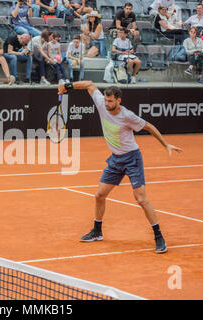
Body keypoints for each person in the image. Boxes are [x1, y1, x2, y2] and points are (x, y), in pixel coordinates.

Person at [57, 81, 183, 254]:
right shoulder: (101, 103)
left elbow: (149, 127)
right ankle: (97, 231)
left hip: (132, 158)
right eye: (106, 100)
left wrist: (166, 145)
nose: (107, 104)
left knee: (140, 198)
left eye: (111, 101)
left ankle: (159, 236)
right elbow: (89, 84)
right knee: (99, 195)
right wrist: (68, 86)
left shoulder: (127, 116)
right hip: (116, 159)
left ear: (119, 101)